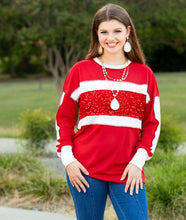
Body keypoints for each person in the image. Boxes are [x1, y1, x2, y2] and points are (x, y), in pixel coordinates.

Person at [56, 3, 160, 220]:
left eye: (117, 31)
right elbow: (64, 119)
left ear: (128, 32)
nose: (110, 38)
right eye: (104, 31)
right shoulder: (80, 71)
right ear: (96, 34)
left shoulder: (145, 74)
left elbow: (152, 124)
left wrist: (137, 162)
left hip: (127, 170)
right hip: (85, 170)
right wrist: (69, 161)